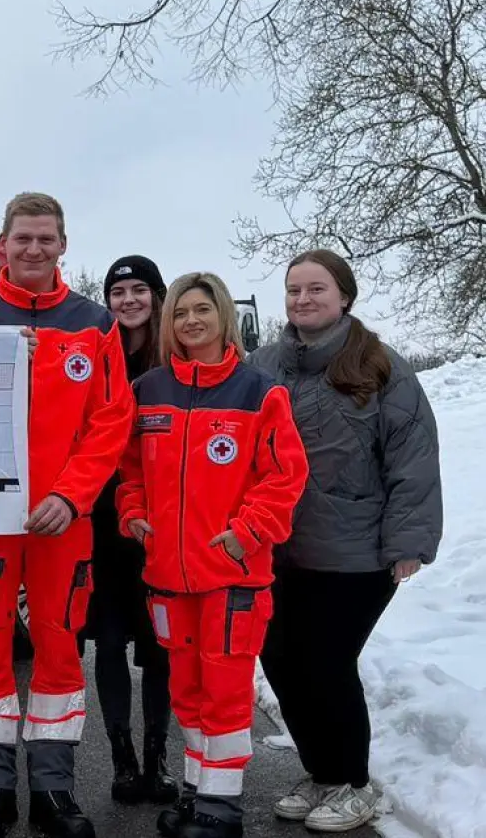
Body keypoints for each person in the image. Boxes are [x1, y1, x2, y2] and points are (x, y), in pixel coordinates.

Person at [0, 192, 133, 838]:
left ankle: (53, 789)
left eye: (45, 239)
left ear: (62, 245)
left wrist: (72, 495)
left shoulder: (92, 323)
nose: (32, 250)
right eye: (21, 238)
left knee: (56, 649)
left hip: (61, 521)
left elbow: (110, 422)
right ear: (1, 243)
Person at [251, 249, 443, 833]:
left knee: (328, 663)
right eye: (293, 291)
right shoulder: (262, 366)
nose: (303, 300)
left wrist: (406, 543)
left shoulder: (382, 367)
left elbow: (412, 460)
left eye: (316, 289)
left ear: (344, 296)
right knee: (281, 660)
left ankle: (357, 784)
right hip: (282, 548)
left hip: (357, 552)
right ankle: (322, 773)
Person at [117, 272, 309, 838]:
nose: (191, 321)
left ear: (224, 316)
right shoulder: (149, 389)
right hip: (167, 577)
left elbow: (285, 477)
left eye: (203, 310)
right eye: (180, 313)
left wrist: (245, 532)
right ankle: (201, 791)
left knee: (224, 693)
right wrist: (134, 515)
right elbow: (129, 471)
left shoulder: (259, 391)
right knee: (187, 691)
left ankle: (222, 810)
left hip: (232, 576)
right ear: (168, 322)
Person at [82, 256, 179, 806]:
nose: (129, 300)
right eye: (118, 292)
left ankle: (158, 756)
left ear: (156, 296)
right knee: (111, 641)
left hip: (159, 519)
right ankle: (122, 757)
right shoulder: (96, 347)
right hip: (101, 516)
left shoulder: (176, 355)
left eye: (140, 289)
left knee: (160, 643)